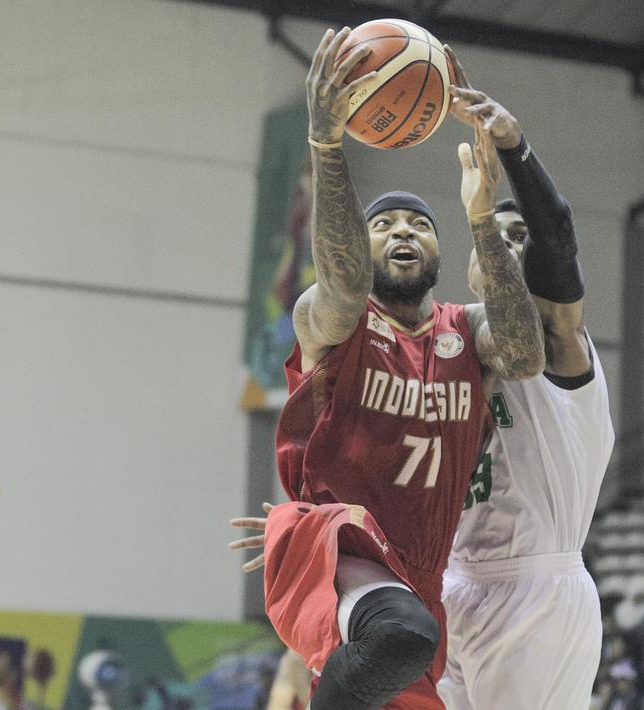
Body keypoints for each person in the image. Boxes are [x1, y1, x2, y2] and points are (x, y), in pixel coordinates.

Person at [230, 27, 544, 710]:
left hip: (420, 576)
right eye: (385, 224)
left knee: (406, 636)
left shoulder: (465, 332)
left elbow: (525, 353)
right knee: (402, 633)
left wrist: (482, 217)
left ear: (438, 250)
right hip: (333, 542)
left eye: (419, 224)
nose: (403, 230)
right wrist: (326, 144)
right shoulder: (332, 319)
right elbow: (343, 285)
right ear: (360, 244)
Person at [433, 48, 615, 710]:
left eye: (519, 238)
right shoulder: (449, 345)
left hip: (537, 589)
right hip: (452, 584)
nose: (509, 245)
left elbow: (556, 236)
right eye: (496, 235)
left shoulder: (559, 342)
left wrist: (512, 145)